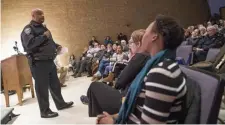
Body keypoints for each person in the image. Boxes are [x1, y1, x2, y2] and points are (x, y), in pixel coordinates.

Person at [97, 15, 187, 124]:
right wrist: (115, 118)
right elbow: (139, 110)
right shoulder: (157, 65)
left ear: (154, 36)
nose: (143, 36)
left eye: (146, 32)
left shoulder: (162, 73)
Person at [20, 8, 73, 118]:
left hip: (49, 61)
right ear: (33, 16)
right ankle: (45, 111)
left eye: (43, 14)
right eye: (39, 14)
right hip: (38, 63)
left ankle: (60, 104)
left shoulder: (44, 28)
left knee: (55, 85)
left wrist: (56, 46)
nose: (43, 15)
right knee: (42, 88)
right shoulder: (28, 29)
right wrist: (44, 36)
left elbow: (49, 42)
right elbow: (29, 44)